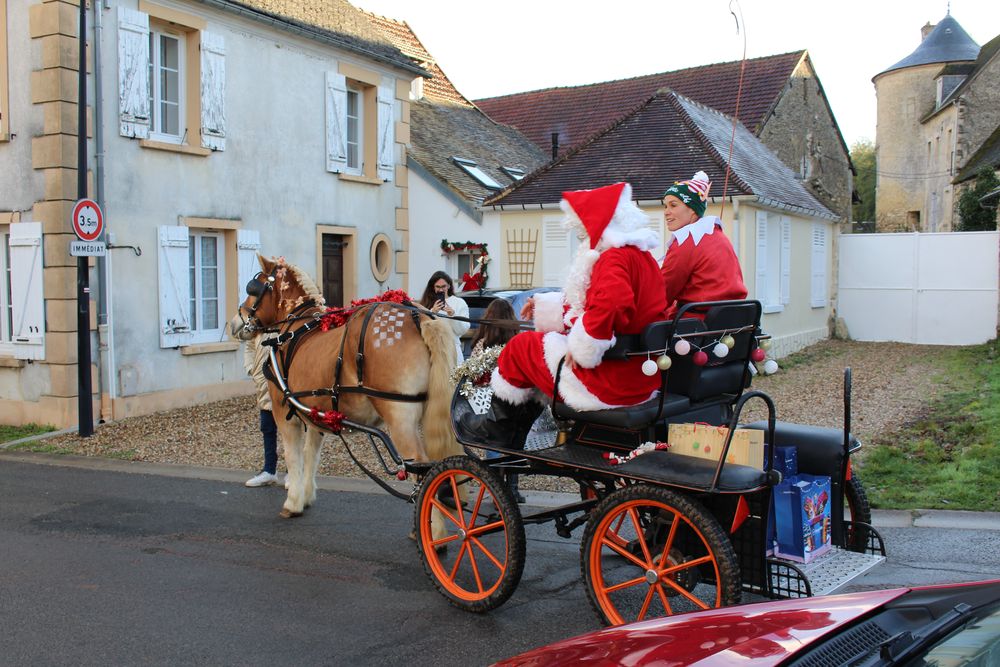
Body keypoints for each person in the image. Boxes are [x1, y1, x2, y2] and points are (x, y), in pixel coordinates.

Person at [461, 182, 668, 449]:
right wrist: (544, 305)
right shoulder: (641, 257)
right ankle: (514, 431)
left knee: (520, 347)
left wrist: (582, 347)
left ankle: (497, 430)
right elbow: (594, 304)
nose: (581, 237)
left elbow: (612, 304)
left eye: (583, 229)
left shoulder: (612, 258)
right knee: (535, 352)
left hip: (610, 382)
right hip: (639, 377)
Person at [660, 171, 747, 318]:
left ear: (692, 209)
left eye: (673, 205)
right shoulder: (718, 236)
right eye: (665, 206)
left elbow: (662, 292)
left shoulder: (686, 241)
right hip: (733, 320)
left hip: (697, 323)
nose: (666, 212)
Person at [467, 299, 527, 502]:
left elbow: (474, 373)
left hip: (489, 400)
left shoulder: (482, 344)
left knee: (494, 443)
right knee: (515, 444)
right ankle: (513, 489)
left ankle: (497, 491)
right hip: (514, 398)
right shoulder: (516, 341)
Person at [244, 333, 281, 487]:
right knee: (267, 427)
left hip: (284, 383)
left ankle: (293, 473)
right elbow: (250, 346)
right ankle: (269, 470)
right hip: (263, 384)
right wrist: (252, 369)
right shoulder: (259, 326)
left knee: (291, 430)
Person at [419, 271, 469, 362]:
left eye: (443, 286)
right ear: (433, 287)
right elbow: (420, 327)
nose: (441, 290)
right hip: (431, 350)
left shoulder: (459, 303)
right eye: (438, 287)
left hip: (452, 349)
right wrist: (432, 312)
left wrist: (453, 316)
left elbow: (462, 330)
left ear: (449, 286)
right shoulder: (426, 302)